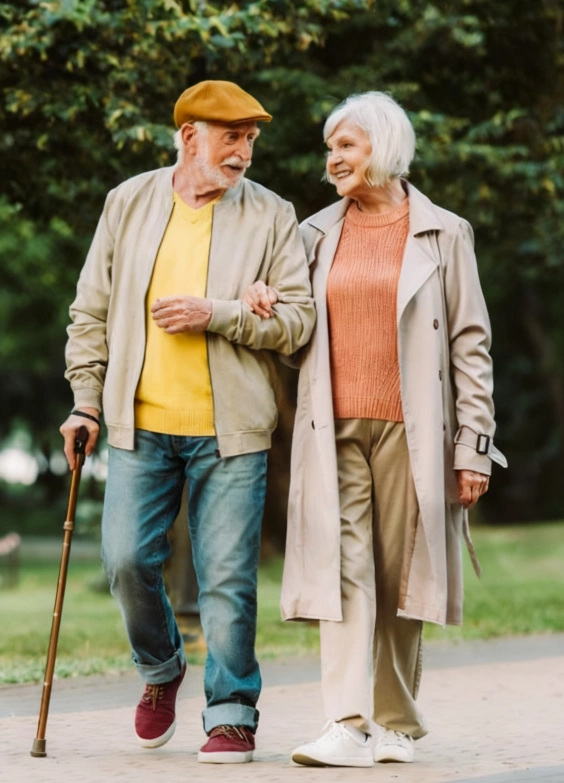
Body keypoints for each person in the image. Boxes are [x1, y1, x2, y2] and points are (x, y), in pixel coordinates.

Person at [242, 91, 507, 767]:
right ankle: (346, 721)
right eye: (330, 147)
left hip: (413, 431)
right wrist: (264, 302)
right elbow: (293, 331)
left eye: (346, 146)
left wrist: (473, 445)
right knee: (344, 569)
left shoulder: (446, 234)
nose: (332, 159)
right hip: (332, 426)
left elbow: (470, 346)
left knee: (401, 576)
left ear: (383, 148)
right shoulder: (312, 233)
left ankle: (396, 723)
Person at [60, 80, 316, 764]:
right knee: (123, 561)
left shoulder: (272, 215)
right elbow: (89, 312)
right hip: (139, 429)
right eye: (231, 136)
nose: (244, 152)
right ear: (188, 137)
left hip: (231, 433)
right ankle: (161, 666)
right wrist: (86, 399)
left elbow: (297, 326)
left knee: (227, 577)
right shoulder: (130, 202)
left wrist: (221, 313)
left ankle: (231, 710)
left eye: (251, 139)